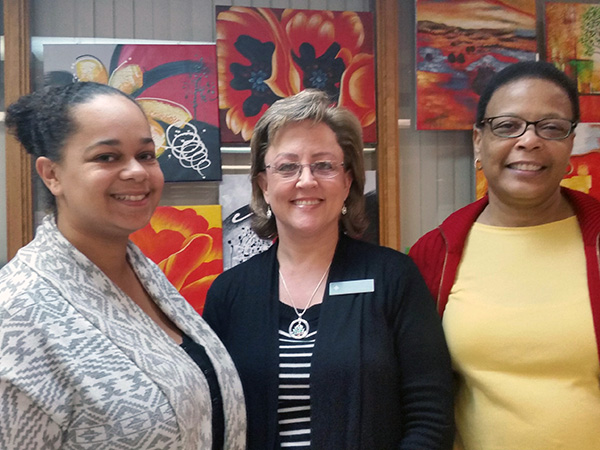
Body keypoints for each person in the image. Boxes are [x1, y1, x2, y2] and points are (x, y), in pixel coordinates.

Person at [203, 89, 454, 450]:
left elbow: (431, 416)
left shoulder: (394, 278)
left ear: (348, 180)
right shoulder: (229, 293)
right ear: (264, 184)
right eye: (287, 167)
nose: (306, 180)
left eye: (323, 165)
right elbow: (215, 416)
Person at [0, 82, 246, 449]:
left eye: (146, 155)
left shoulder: (145, 274)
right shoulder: (16, 314)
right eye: (107, 157)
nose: (137, 172)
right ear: (51, 174)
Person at [409, 61, 600, 450]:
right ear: (478, 140)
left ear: (571, 142)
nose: (529, 141)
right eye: (507, 126)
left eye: (551, 127)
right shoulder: (435, 254)